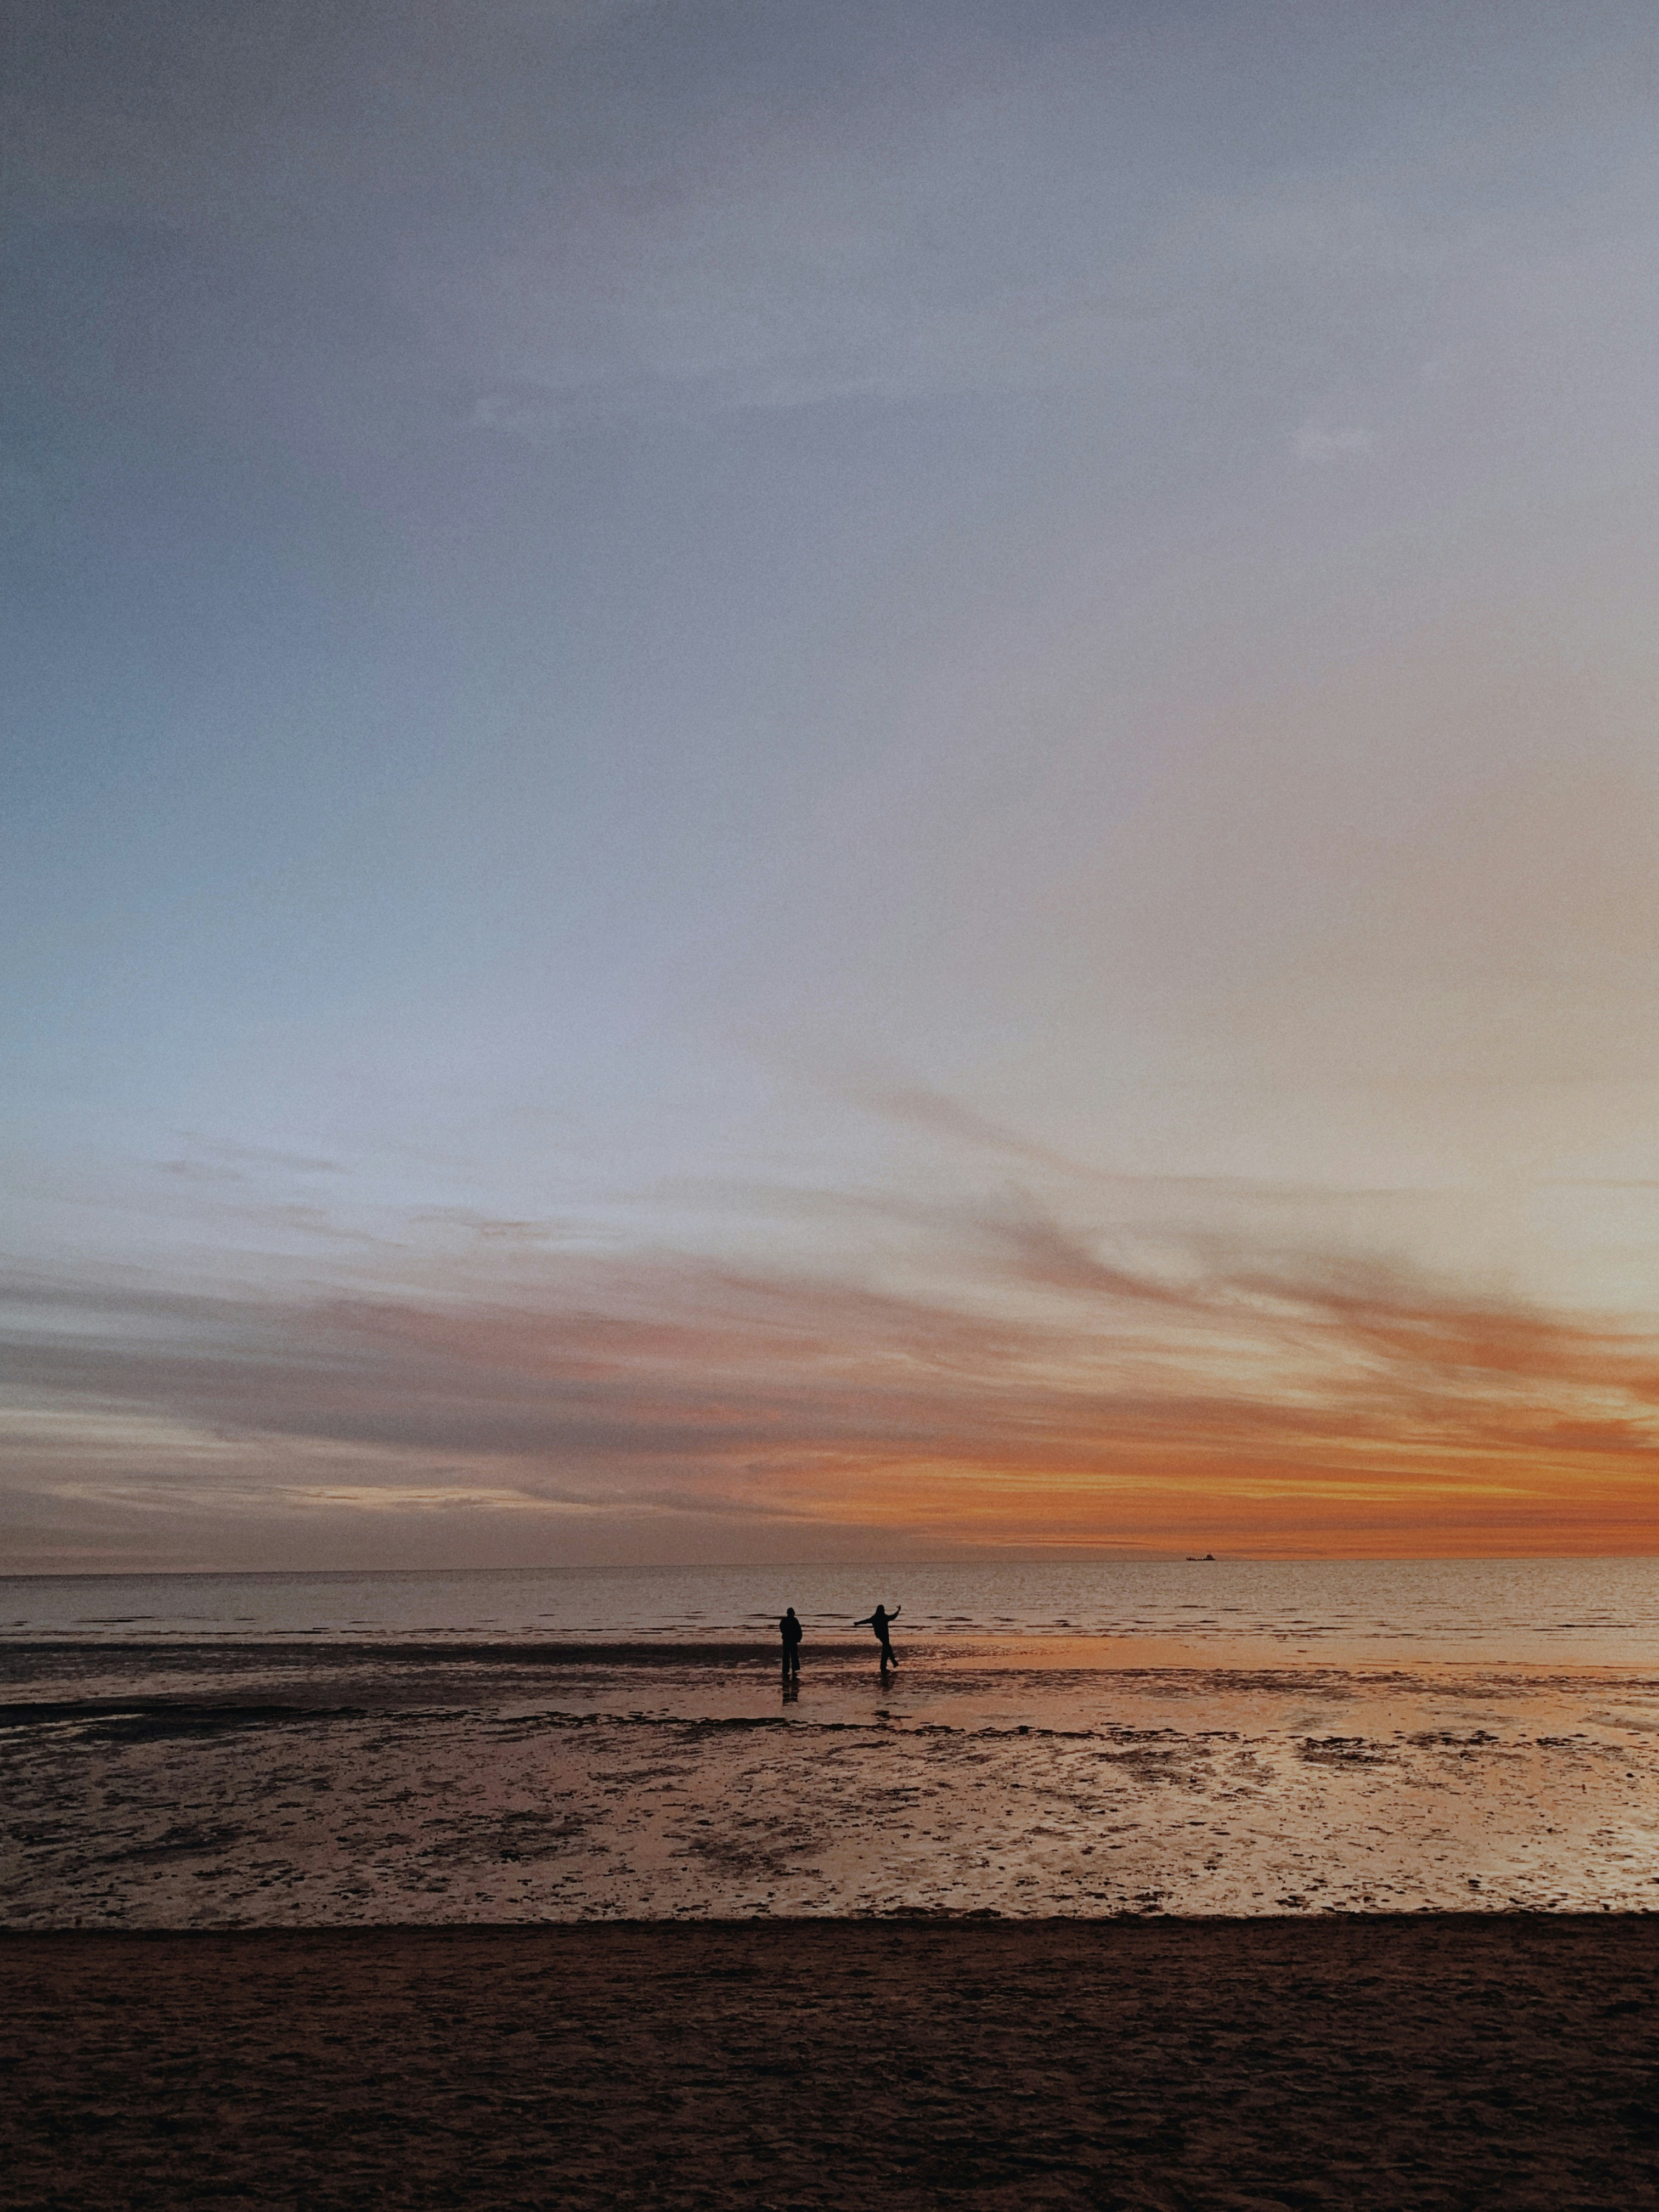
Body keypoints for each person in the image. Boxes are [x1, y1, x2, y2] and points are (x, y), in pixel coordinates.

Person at [854, 1602, 901, 1670]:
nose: (884, 1611)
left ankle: (886, 1666)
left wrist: (858, 1623)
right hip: (884, 1635)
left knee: (886, 1649)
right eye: (883, 1610)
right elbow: (892, 1617)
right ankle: (889, 1664)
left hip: (880, 1635)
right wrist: (898, 1611)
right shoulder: (883, 1617)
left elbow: (866, 1621)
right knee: (887, 1648)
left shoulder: (875, 1618)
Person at [779, 1606, 803, 1680]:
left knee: (786, 1655)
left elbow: (781, 1628)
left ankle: (786, 1670)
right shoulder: (794, 1621)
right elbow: (799, 1631)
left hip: (787, 1640)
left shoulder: (784, 1620)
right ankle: (794, 1669)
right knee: (794, 1655)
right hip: (792, 1640)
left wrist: (786, 1634)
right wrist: (798, 1638)